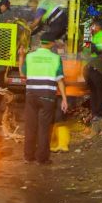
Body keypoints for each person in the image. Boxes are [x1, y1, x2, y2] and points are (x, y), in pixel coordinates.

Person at [20, 36, 68, 165]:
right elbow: (59, 80)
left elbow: (23, 73)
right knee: (44, 128)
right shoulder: (56, 58)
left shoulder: (30, 57)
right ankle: (42, 158)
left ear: (40, 42)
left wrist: (21, 57)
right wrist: (64, 99)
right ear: (52, 43)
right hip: (47, 95)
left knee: (30, 126)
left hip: (31, 94)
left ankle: (28, 156)